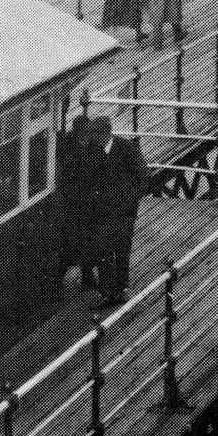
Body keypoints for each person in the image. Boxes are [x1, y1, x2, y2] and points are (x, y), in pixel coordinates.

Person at [89, 116, 151, 306]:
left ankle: (122, 288)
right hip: (104, 212)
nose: (94, 140)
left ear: (105, 134)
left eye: (96, 136)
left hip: (125, 212)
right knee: (103, 249)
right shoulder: (94, 151)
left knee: (122, 249)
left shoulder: (127, 149)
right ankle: (106, 292)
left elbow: (144, 178)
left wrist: (130, 199)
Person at [56, 114, 106, 295]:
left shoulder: (93, 147)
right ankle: (58, 280)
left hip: (89, 202)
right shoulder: (68, 147)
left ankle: (87, 275)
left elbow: (101, 167)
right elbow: (67, 173)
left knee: (88, 241)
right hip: (73, 203)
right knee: (70, 243)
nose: (86, 135)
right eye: (84, 132)